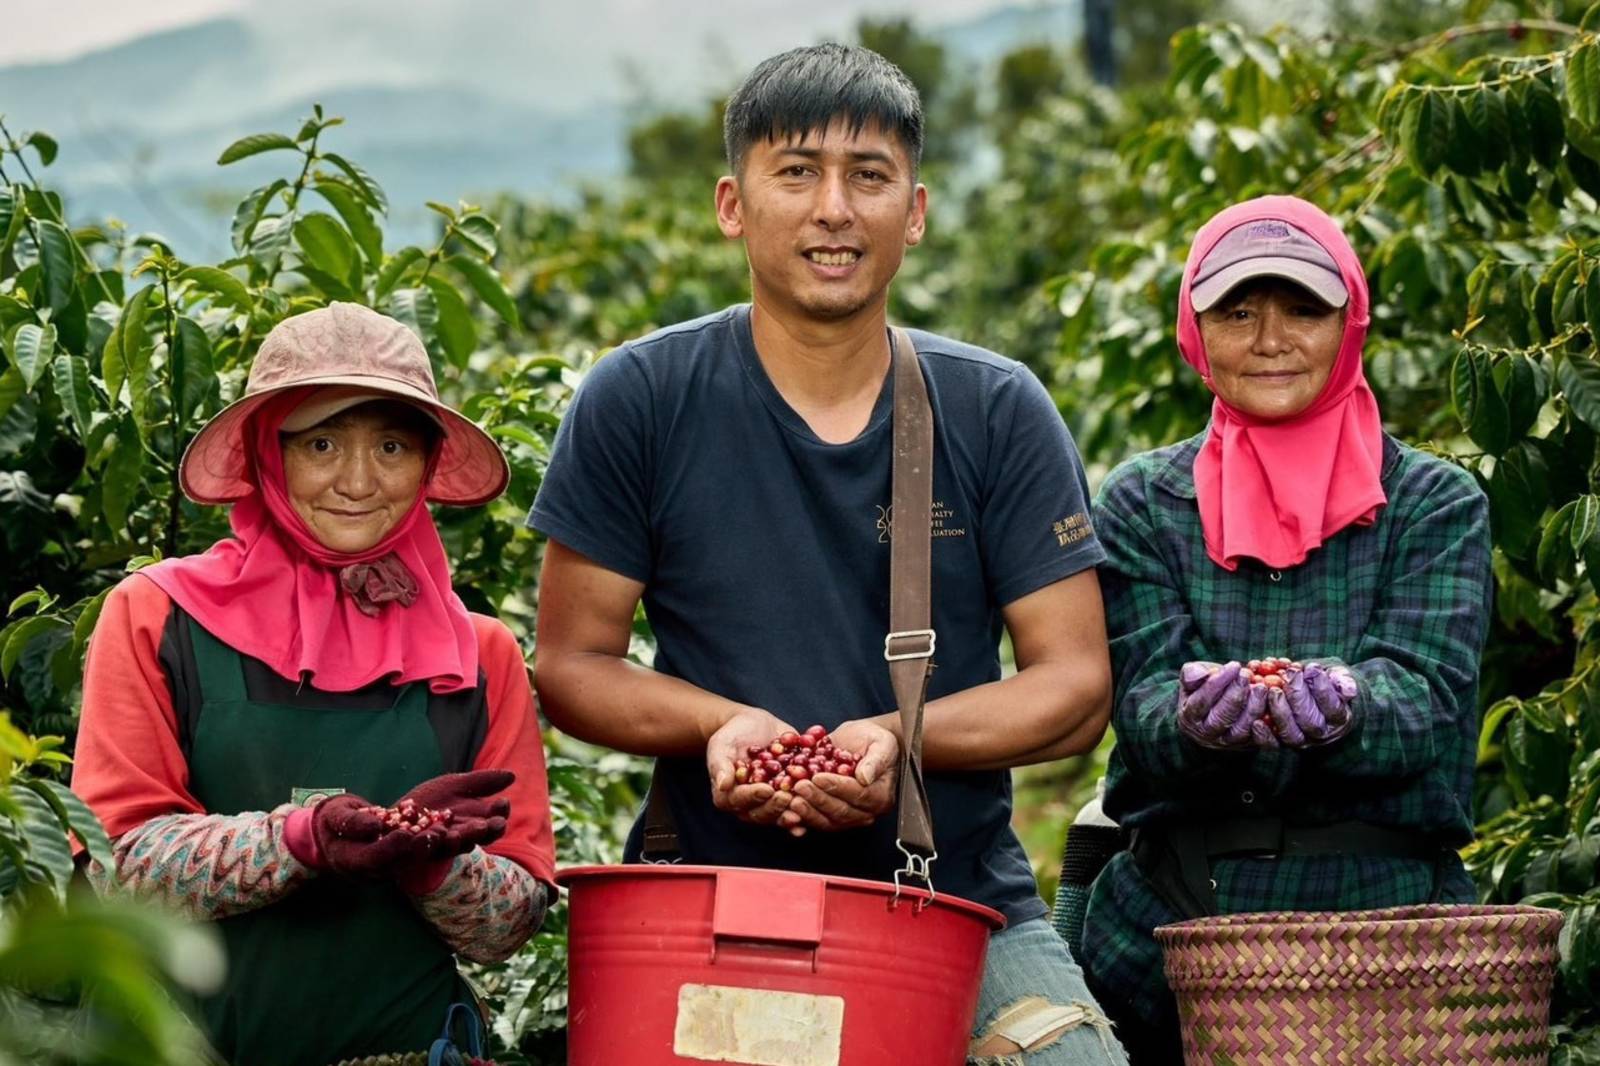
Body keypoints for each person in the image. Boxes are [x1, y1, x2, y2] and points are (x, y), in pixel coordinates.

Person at [530, 43, 1127, 1066]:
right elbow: (573, 666)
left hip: (952, 894)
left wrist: (897, 740)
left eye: (869, 176)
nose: (833, 209)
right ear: (733, 203)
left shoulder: (992, 408)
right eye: (796, 171)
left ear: (917, 210)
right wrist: (724, 728)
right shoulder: (641, 397)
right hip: (706, 892)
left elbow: (1073, 686)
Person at [72, 303, 556, 1066]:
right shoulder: (157, 615)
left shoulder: (482, 654)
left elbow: (511, 925)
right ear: (272, 452)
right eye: (322, 443)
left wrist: (427, 859)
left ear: (427, 463)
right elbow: (117, 868)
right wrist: (302, 840)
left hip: (409, 1051)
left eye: (392, 446)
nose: (358, 482)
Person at [1076, 196, 1493, 1064]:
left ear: (1350, 322)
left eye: (1305, 308)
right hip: (1171, 929)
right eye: (1238, 311)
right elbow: (1143, 699)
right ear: (1197, 334)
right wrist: (1191, 718)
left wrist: (1348, 705)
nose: (1272, 339)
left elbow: (1426, 698)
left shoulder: (1433, 502)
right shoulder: (1144, 502)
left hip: (1384, 933)